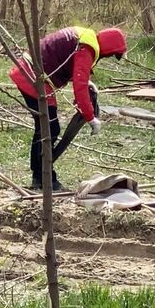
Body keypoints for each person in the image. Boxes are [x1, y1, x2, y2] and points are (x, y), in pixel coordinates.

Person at [9, 26, 128, 193]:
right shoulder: (86, 48)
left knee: (45, 128)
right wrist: (90, 117)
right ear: (108, 49)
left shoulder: (84, 37)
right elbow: (79, 85)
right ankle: (44, 177)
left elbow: (65, 60)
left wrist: (87, 83)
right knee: (48, 129)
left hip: (30, 73)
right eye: (110, 55)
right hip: (32, 77)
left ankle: (40, 176)